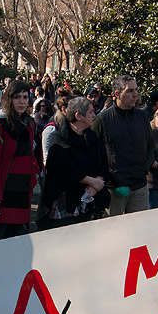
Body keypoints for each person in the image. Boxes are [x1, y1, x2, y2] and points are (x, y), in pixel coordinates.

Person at [0, 79, 41, 240]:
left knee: (19, 245)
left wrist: (35, 175)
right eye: (17, 97)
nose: (21, 101)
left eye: (25, 97)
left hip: (22, 193)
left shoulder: (29, 124)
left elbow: (31, 154)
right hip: (2, 193)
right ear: (9, 99)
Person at [36, 97, 109, 229]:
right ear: (78, 116)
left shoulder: (92, 137)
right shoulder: (60, 138)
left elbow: (103, 160)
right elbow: (64, 169)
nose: (94, 115)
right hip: (66, 202)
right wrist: (91, 181)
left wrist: (97, 181)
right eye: (90, 112)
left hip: (89, 201)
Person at [91, 75, 154, 215]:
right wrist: (107, 178)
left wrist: (144, 168)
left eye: (136, 90)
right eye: (130, 91)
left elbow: (150, 145)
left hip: (139, 185)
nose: (135, 95)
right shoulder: (102, 120)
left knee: (140, 225)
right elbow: (93, 152)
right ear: (117, 94)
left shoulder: (142, 117)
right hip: (114, 188)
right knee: (113, 227)